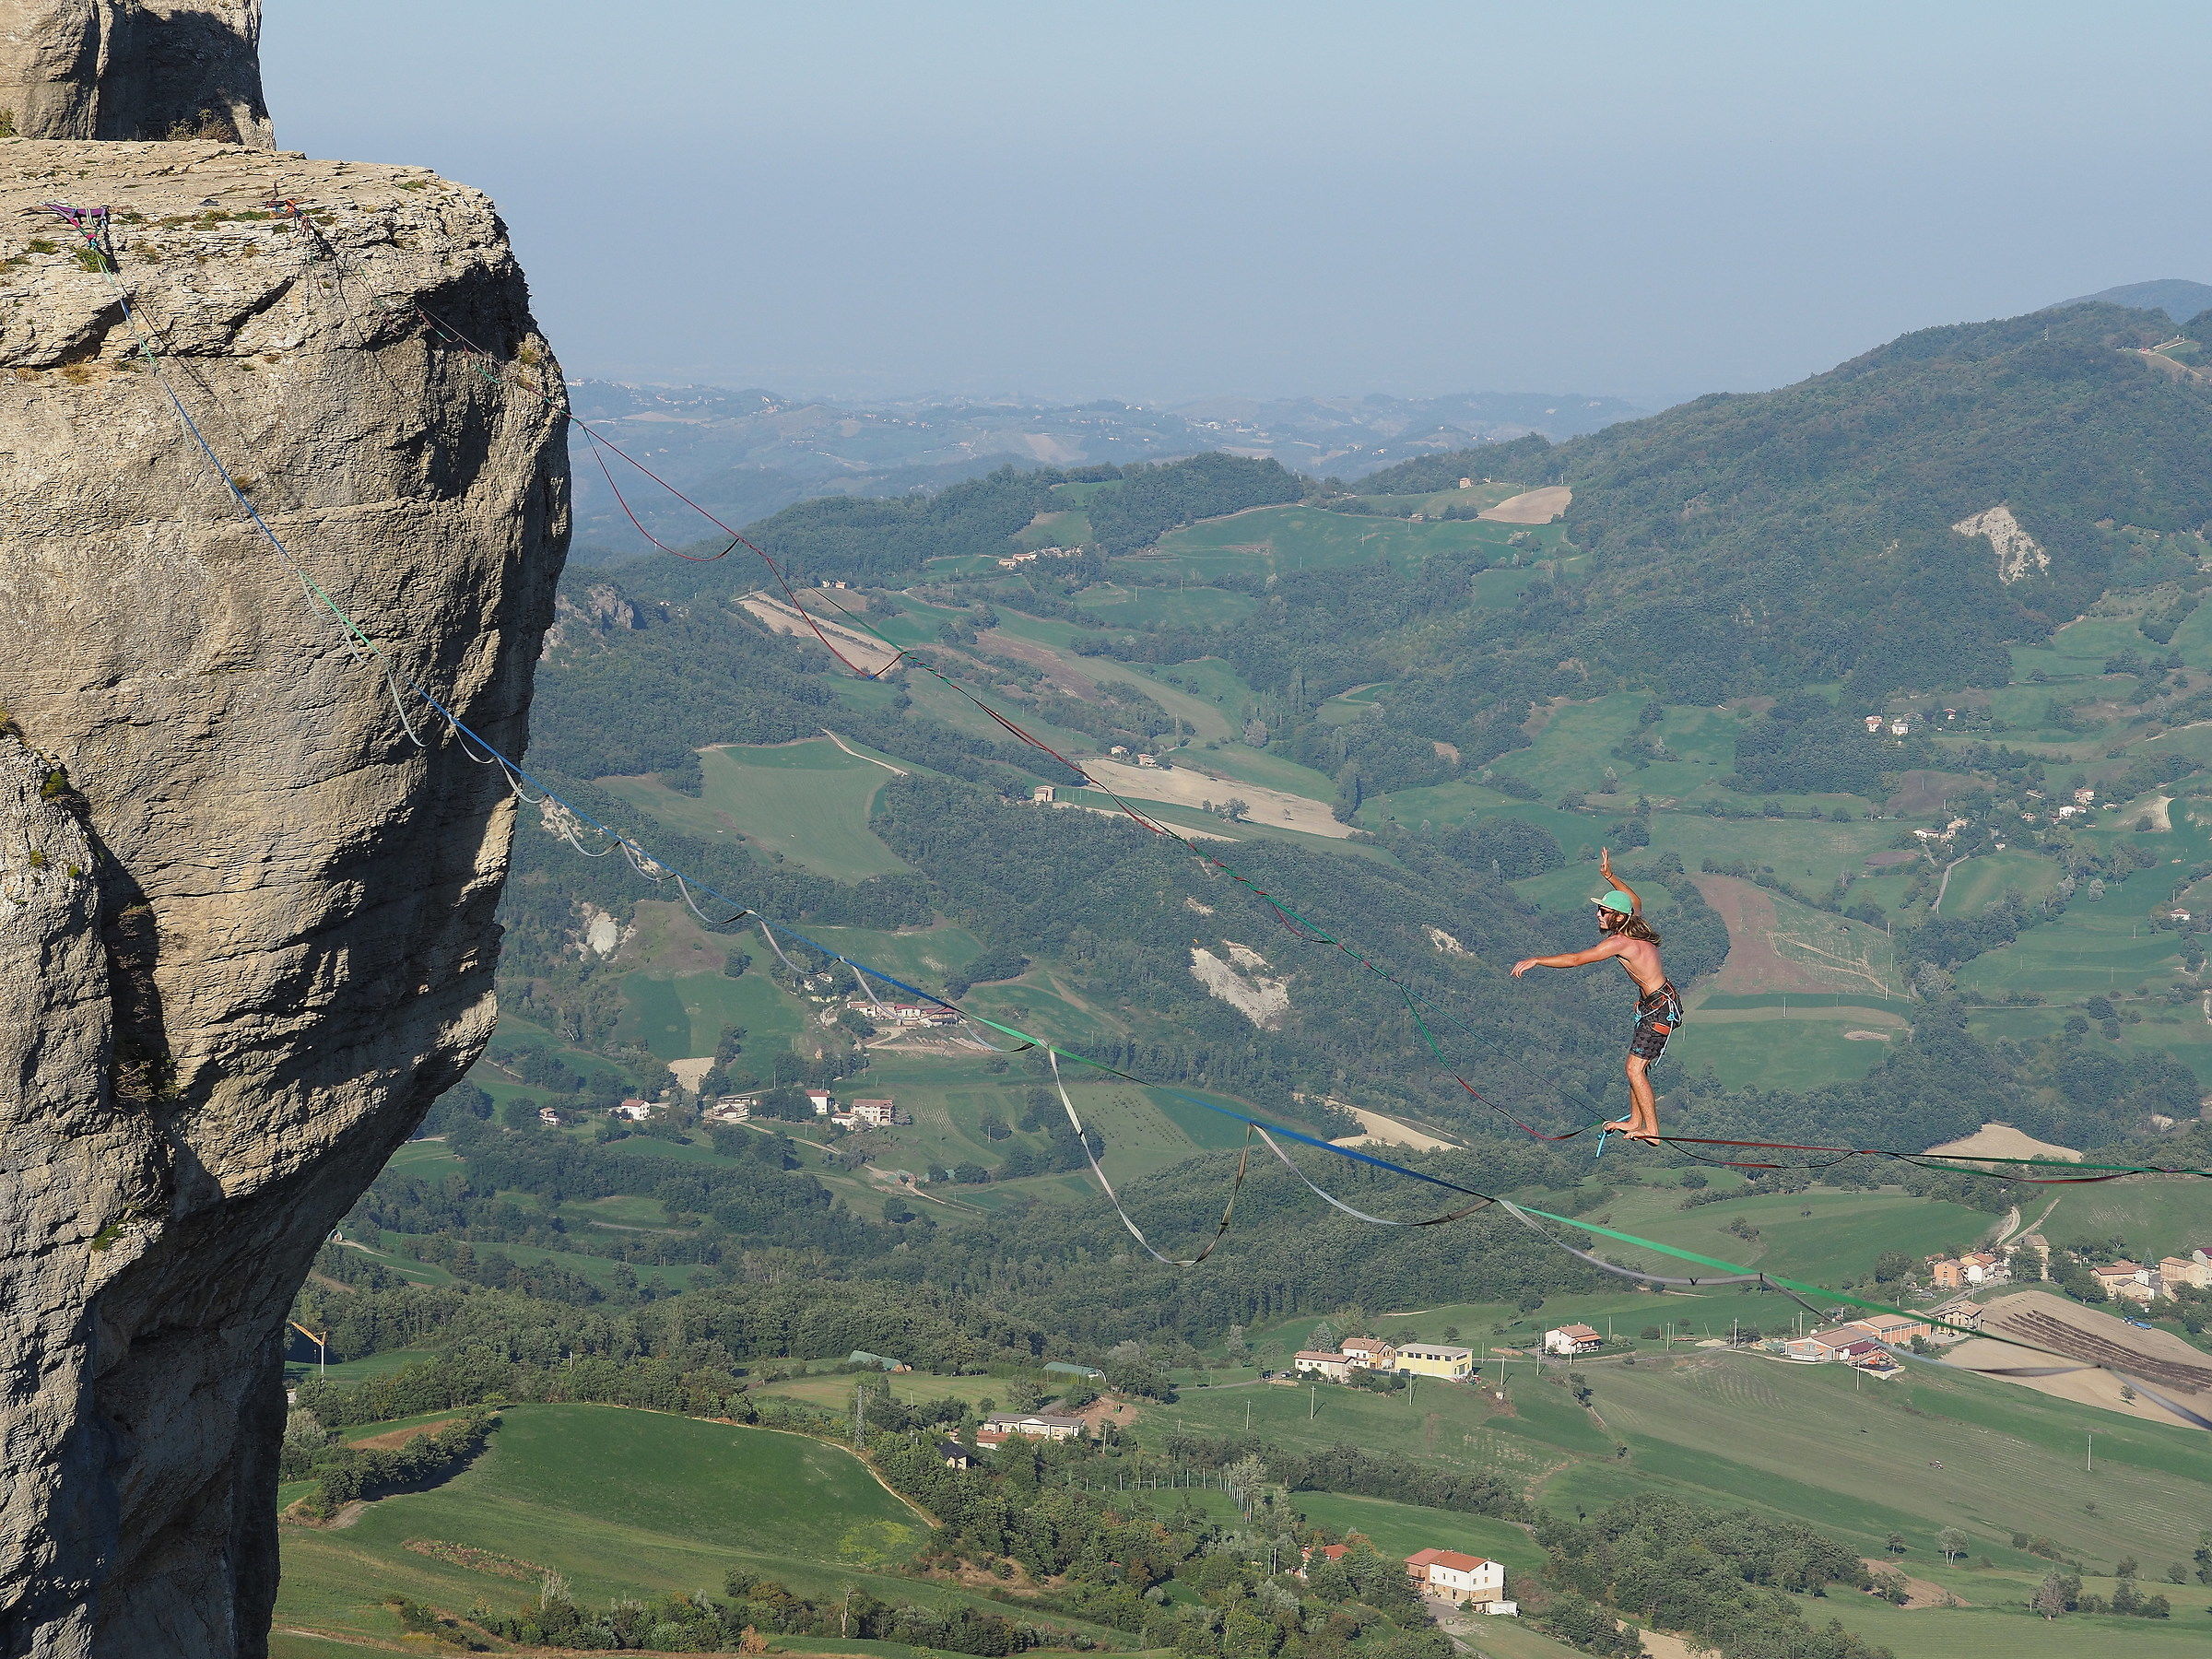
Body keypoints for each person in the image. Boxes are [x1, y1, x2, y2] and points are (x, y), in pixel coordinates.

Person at [1510, 850, 1678, 1144]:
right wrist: (1609, 877)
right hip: (1658, 1004)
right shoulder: (1633, 922)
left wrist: (1538, 960)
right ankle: (1636, 1121)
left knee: (1634, 1067)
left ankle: (1652, 1130)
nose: (1599, 915)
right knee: (1637, 1064)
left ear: (1617, 917)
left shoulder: (1620, 942)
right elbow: (1635, 900)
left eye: (1604, 911)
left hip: (1661, 1009)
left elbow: (1576, 959)